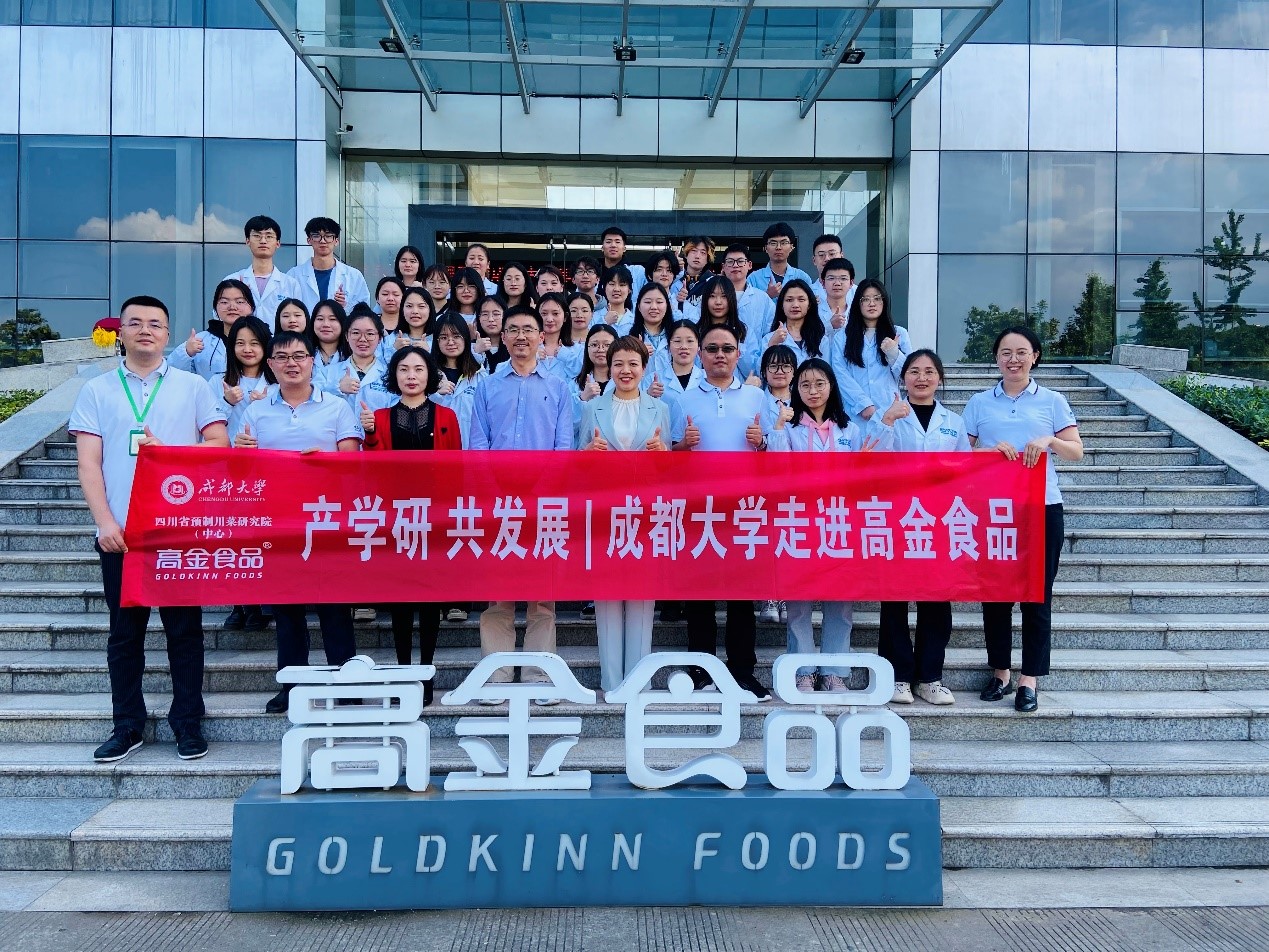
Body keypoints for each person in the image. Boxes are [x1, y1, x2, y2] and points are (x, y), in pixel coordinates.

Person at [69, 295, 229, 763]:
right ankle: (127, 725)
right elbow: (89, 463)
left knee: (185, 633)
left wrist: (172, 452)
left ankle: (187, 722)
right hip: (121, 535)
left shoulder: (192, 387)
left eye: (155, 324)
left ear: (167, 334)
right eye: (135, 323)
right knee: (124, 636)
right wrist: (104, 522)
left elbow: (218, 443)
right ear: (120, 332)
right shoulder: (97, 390)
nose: (145, 330)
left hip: (176, 532)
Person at [234, 331, 362, 713]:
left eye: (300, 356)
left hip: (326, 522)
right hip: (278, 522)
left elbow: (354, 464)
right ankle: (291, 686)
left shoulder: (337, 407)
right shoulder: (255, 412)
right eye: (282, 357)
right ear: (271, 365)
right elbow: (242, 473)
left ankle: (347, 685)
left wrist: (325, 462)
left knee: (334, 609)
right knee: (286, 612)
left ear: (312, 362)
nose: (291, 363)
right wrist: (241, 455)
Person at [963, 326, 1083, 714]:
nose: (1013, 359)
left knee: (1037, 595)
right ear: (996, 358)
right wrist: (985, 451)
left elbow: (1076, 451)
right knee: (995, 595)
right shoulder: (980, 403)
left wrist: (1049, 441)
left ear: (1035, 356)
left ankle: (1029, 678)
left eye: (1021, 352)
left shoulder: (1052, 401)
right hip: (993, 510)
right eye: (1005, 352)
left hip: (1041, 508)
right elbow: (958, 455)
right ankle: (1000, 672)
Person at [769, 358, 903, 692]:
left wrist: (866, 458)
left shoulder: (849, 429)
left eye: (819, 384)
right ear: (796, 390)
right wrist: (778, 428)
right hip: (800, 521)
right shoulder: (791, 427)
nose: (813, 391)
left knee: (840, 601)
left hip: (839, 522)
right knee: (798, 601)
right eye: (805, 385)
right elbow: (778, 470)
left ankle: (834, 671)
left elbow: (867, 469)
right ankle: (803, 670)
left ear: (831, 387)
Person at [468, 306, 574, 700]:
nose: (521, 336)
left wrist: (541, 492)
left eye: (528, 329)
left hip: (544, 504)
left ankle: (538, 673)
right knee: (499, 593)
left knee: (542, 596)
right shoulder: (488, 385)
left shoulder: (559, 386)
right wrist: (495, 492)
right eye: (513, 329)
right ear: (503, 336)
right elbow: (478, 443)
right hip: (499, 503)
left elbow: (563, 447)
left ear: (541, 335)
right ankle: (495, 674)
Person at [361, 345, 462, 704]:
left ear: (430, 375)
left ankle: (427, 672)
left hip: (434, 518)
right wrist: (370, 435)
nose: (411, 376)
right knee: (401, 600)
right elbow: (373, 468)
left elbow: (456, 469)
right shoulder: (380, 417)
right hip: (396, 518)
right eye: (404, 369)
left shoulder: (446, 415)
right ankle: (404, 671)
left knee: (431, 599)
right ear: (394, 375)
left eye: (419, 369)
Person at [676, 323, 771, 700]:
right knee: (699, 595)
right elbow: (667, 453)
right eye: (712, 348)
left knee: (741, 596)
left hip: (743, 509)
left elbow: (774, 453)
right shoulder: (683, 398)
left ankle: (742, 671)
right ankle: (700, 670)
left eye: (727, 349)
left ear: (738, 355)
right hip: (699, 508)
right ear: (700, 354)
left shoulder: (756, 398)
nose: (720, 355)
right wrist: (683, 446)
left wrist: (761, 443)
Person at [579, 336, 671, 694]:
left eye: (633, 363)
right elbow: (577, 462)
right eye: (618, 363)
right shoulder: (593, 408)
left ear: (644, 368)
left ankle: (638, 684)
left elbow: (669, 467)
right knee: (606, 599)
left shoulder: (660, 409)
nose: (626, 370)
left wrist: (663, 454)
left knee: (641, 599)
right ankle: (611, 683)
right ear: (608, 367)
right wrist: (588, 453)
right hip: (605, 514)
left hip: (646, 515)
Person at [881, 349, 970, 706]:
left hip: (940, 519)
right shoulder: (890, 414)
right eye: (914, 371)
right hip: (899, 516)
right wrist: (887, 420)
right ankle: (899, 676)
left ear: (939, 378)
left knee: (936, 598)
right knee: (895, 597)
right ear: (903, 378)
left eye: (929, 371)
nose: (922, 378)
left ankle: (930, 677)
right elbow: (871, 461)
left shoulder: (954, 421)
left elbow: (965, 468)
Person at [831, 278, 911, 421]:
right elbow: (840, 373)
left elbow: (908, 375)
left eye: (877, 298)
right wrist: (863, 404)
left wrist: (894, 354)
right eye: (866, 299)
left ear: (884, 302)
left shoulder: (899, 334)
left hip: (890, 408)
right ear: (858, 303)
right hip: (854, 413)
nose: (872, 304)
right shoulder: (843, 337)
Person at [223, 215, 304, 325]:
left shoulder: (290, 284)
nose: (263, 241)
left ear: (278, 243)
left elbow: (298, 322)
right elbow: (219, 315)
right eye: (257, 236)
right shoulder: (233, 281)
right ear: (247, 241)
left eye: (269, 236)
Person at [692, 244, 776, 349]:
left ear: (749, 265)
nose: (735, 265)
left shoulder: (763, 299)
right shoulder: (708, 296)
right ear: (723, 266)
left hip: (753, 357)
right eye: (730, 261)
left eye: (740, 261)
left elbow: (770, 333)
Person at [170, 279, 254, 380]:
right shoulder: (200, 340)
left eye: (239, 302)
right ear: (215, 308)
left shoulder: (263, 338)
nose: (232, 307)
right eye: (224, 302)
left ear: (251, 307)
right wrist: (186, 353)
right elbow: (172, 372)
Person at [287, 216, 371, 312]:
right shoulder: (294, 275)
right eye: (316, 236)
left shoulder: (354, 276)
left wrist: (345, 307)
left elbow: (363, 312)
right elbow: (285, 309)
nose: (322, 241)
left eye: (328, 236)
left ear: (336, 241)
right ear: (309, 240)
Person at [429, 312, 485, 447]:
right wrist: (435, 394)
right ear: (437, 341)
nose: (450, 342)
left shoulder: (480, 375)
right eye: (444, 337)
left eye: (456, 336)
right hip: (435, 449)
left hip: (469, 450)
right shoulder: (427, 374)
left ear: (465, 338)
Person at [325, 305, 392, 414]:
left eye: (370, 334)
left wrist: (377, 422)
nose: (363, 339)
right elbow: (312, 399)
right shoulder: (327, 372)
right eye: (356, 333)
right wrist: (337, 387)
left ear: (379, 338)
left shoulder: (390, 375)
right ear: (347, 336)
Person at [765, 278, 827, 366]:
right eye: (789, 300)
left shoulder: (821, 338)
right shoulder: (770, 338)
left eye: (801, 300)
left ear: (809, 304)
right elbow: (761, 370)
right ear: (782, 305)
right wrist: (773, 344)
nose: (795, 305)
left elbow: (827, 370)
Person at [748, 223, 813, 300]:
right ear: (765, 248)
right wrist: (768, 295)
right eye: (773, 243)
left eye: (783, 243)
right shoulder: (754, 278)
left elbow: (810, 304)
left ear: (791, 247)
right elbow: (748, 306)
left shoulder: (802, 277)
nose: (778, 247)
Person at [387, 286, 435, 355]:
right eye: (409, 306)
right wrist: (394, 350)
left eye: (421, 306)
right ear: (402, 309)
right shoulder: (392, 339)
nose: (415, 311)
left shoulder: (439, 339)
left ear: (430, 310)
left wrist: (429, 352)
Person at [310, 299, 350, 383]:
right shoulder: (304, 354)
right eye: (320, 319)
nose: (326, 324)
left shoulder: (351, 355)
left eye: (332, 319)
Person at [671, 235, 714, 314]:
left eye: (703, 253)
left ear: (707, 259)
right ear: (686, 254)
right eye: (694, 251)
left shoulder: (713, 282)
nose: (697, 256)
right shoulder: (674, 279)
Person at [600, 226, 646, 297]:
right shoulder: (594, 273)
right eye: (608, 242)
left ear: (624, 248)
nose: (613, 245)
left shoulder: (638, 272)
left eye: (617, 242)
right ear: (602, 248)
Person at [473, 295, 509, 375]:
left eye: (496, 314)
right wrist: (476, 353)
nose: (491, 319)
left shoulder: (513, 346)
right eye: (485, 314)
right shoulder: (471, 347)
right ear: (479, 318)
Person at [808, 234, 845, 311]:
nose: (827, 258)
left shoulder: (856, 292)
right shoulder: (807, 293)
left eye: (832, 254)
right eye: (821, 255)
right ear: (814, 260)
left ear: (842, 256)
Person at [820, 257, 855, 335]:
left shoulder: (858, 311)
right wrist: (830, 326)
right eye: (831, 278)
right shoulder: (813, 311)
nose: (837, 283)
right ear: (823, 283)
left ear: (851, 283)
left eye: (843, 278)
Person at [594, 264, 634, 330]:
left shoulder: (635, 321)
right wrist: (605, 322)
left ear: (629, 289)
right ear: (604, 287)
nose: (616, 289)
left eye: (622, 285)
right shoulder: (593, 317)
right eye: (612, 284)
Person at [373, 276, 406, 340]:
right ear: (377, 298)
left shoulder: (411, 324)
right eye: (385, 294)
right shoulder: (370, 323)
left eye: (396, 294)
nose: (390, 298)